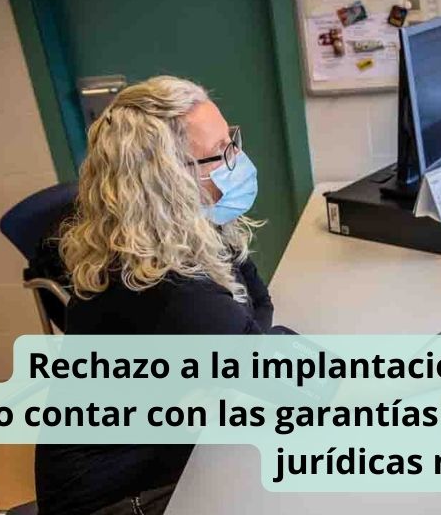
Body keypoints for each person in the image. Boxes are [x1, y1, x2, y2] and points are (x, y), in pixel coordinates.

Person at [35, 76, 278, 515]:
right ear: (168, 180)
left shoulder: (187, 231)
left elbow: (259, 306)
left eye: (232, 141)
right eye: (220, 153)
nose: (237, 161)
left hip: (155, 456)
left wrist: (241, 347)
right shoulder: (159, 284)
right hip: (112, 502)